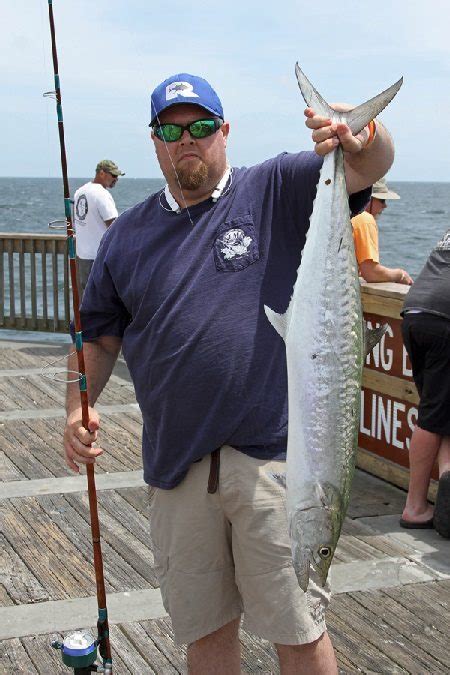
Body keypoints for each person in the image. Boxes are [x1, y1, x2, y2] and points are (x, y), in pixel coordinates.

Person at [63, 72, 395, 673]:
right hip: (177, 466)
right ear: (156, 140)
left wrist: (360, 132)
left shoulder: (275, 186)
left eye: (201, 126)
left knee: (300, 628)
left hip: (273, 463)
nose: (186, 139)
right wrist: (75, 406)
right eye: (171, 129)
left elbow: (370, 163)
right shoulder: (126, 236)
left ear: (224, 131)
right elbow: (101, 336)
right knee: (206, 632)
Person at [400, 228, 450, 538]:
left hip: (414, 311)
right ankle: (415, 506)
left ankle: (447, 483)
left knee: (441, 409)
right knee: (432, 417)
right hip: (444, 318)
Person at [73, 159, 125, 296]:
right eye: (113, 175)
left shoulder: (80, 192)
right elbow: (115, 227)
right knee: (103, 301)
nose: (116, 179)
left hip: (82, 256)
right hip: (99, 258)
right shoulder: (102, 195)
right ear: (102, 173)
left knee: (87, 300)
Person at [351, 177, 413, 284]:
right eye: (382, 200)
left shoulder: (344, 214)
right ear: (368, 197)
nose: (385, 205)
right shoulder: (364, 220)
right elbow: (371, 273)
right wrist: (400, 275)